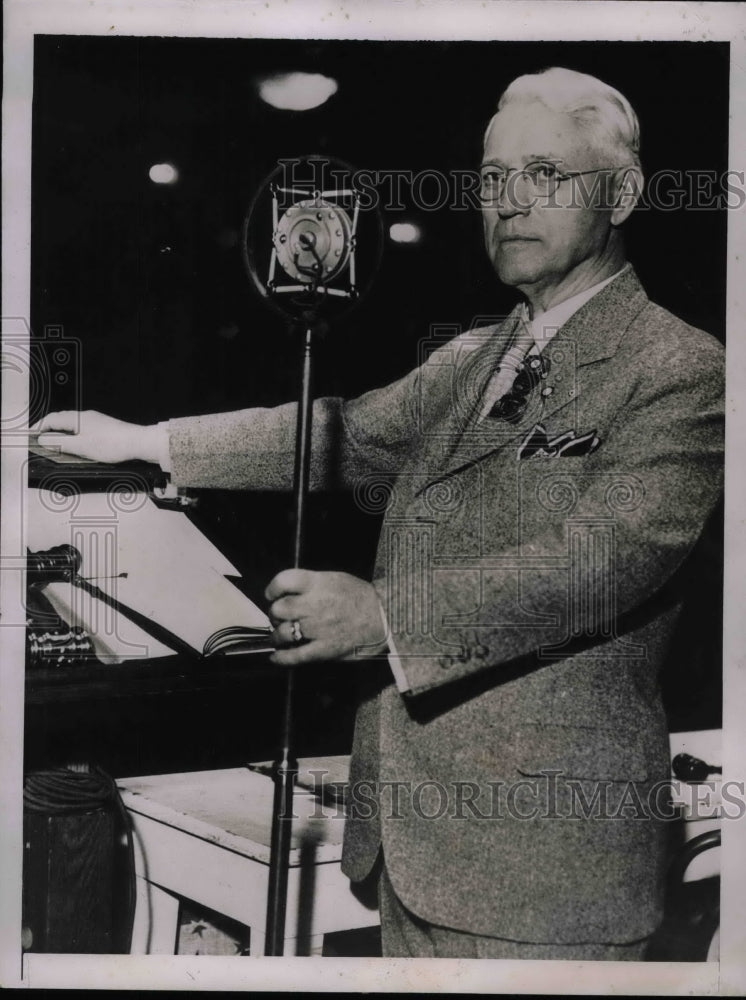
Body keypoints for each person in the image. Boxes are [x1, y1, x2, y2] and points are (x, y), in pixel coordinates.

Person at [36, 67, 724, 959]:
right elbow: (343, 434)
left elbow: (602, 558)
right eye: (491, 178)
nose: (508, 202)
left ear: (622, 192)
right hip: (406, 849)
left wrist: (384, 618)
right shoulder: (479, 354)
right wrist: (151, 441)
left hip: (547, 877)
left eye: (544, 174)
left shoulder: (680, 368)